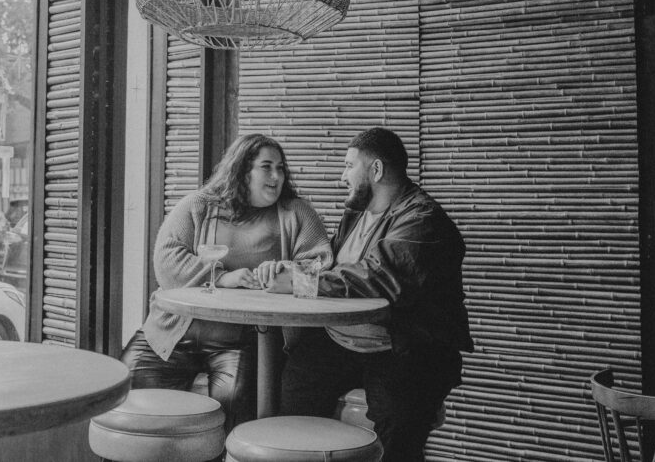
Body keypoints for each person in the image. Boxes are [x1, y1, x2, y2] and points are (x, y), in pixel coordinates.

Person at [257, 127, 472, 462]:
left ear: (376, 170)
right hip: (340, 341)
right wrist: (292, 268)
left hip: (400, 346)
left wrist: (300, 281)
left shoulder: (423, 219)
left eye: (348, 166)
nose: (342, 176)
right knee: (294, 390)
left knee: (397, 429)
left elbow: (379, 275)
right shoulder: (356, 212)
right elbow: (338, 269)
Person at [121, 133, 332, 430]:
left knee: (230, 415)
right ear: (242, 169)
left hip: (240, 343)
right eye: (267, 167)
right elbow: (166, 261)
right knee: (128, 400)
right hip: (170, 333)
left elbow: (321, 265)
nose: (277, 176)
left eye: (281, 168)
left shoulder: (296, 212)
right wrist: (222, 277)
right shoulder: (200, 205)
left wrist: (284, 270)